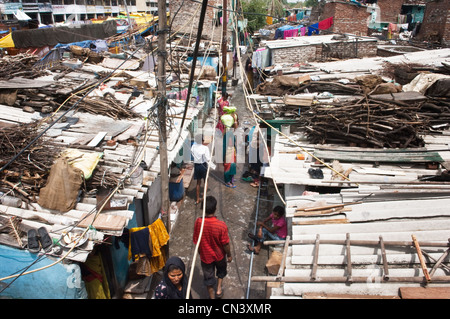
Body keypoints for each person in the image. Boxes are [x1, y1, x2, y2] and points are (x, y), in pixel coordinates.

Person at [193, 196, 232, 299]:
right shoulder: (221, 225)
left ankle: (212, 297)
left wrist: (200, 253)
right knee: (221, 271)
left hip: (206, 257)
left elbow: (196, 241)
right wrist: (229, 255)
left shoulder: (198, 222)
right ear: (215, 208)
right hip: (219, 256)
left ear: (203, 209)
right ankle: (218, 289)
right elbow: (226, 244)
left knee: (208, 278)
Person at [191, 134, 211, 204]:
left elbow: (192, 154)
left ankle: (197, 199)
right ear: (202, 140)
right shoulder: (205, 148)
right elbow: (208, 159)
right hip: (203, 166)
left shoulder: (193, 147)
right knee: (206, 181)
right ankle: (203, 198)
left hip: (196, 166)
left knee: (198, 183)